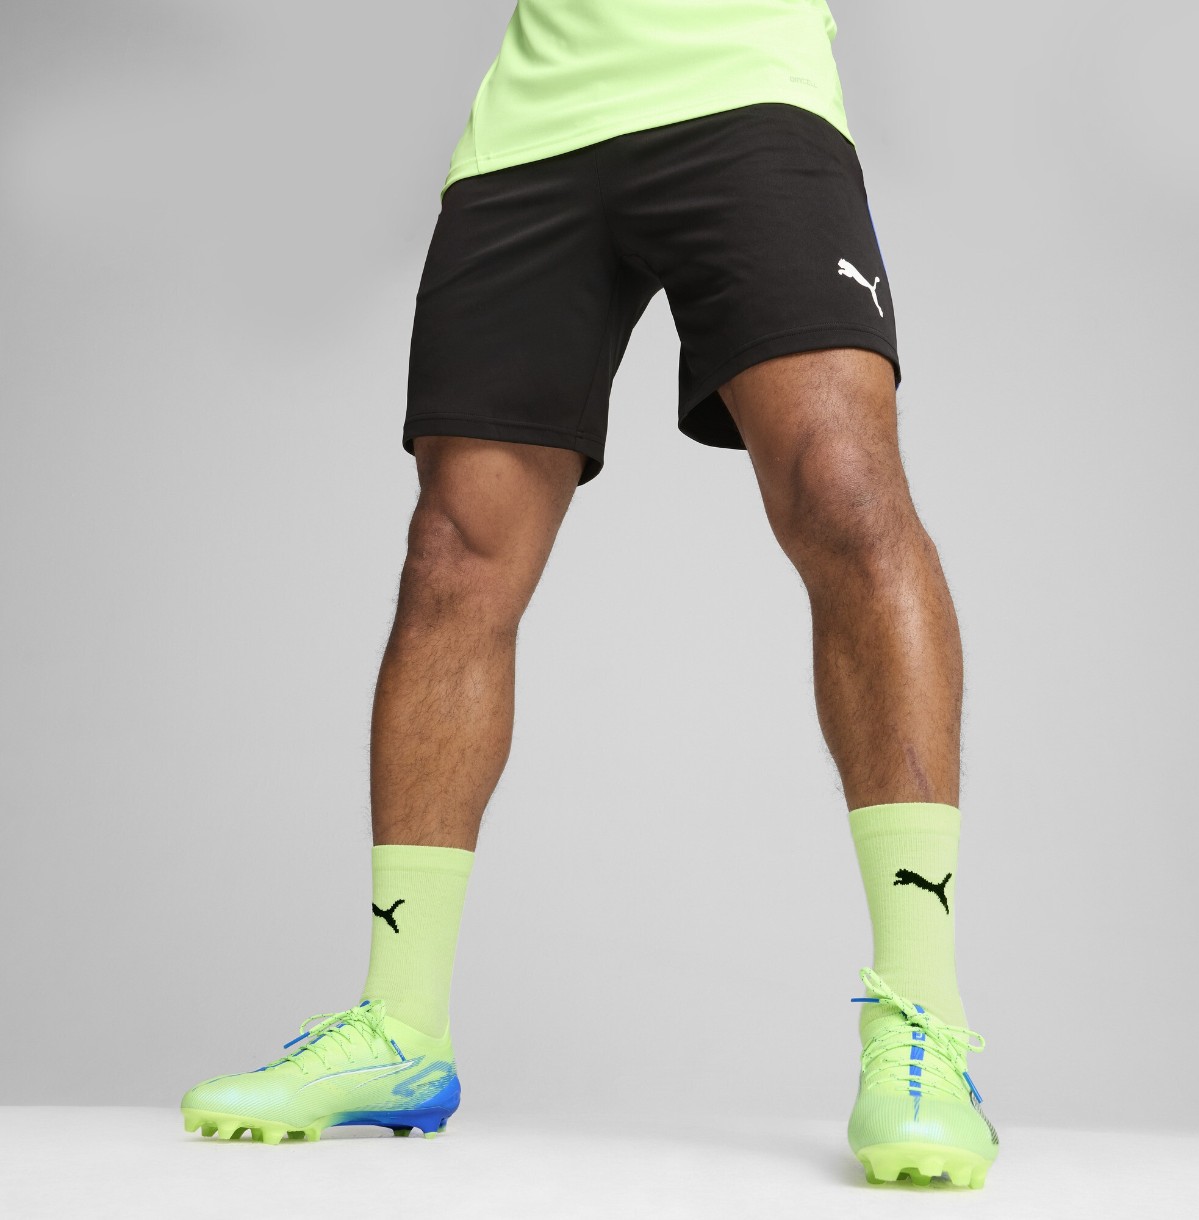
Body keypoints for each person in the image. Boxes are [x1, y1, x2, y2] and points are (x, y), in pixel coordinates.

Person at [181, 0, 999, 1189]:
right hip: (533, 126)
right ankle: (399, 1027)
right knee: (453, 552)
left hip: (740, 89)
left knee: (844, 491)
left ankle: (920, 1025)